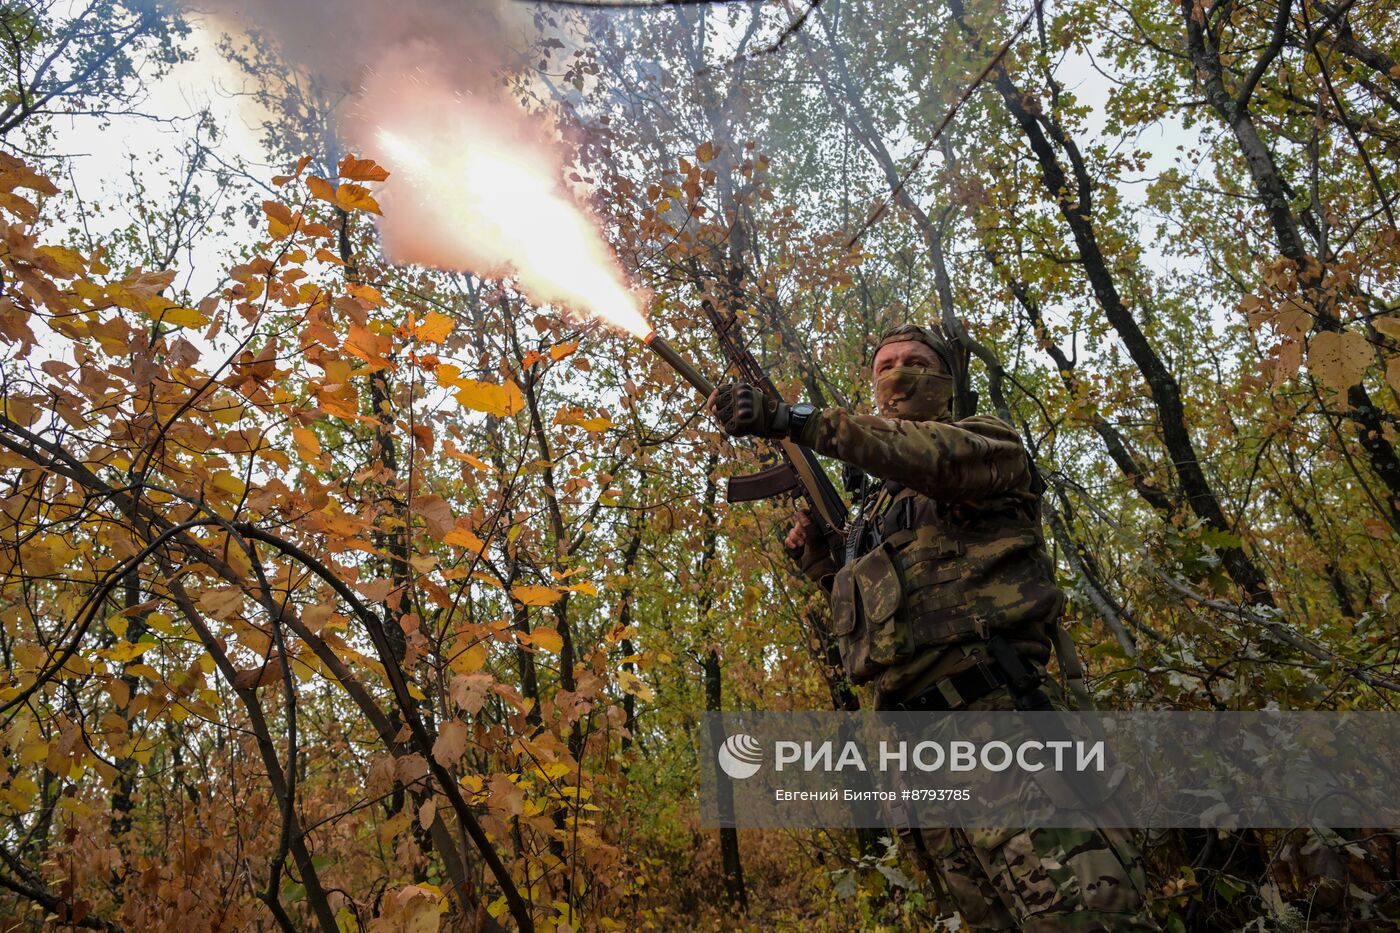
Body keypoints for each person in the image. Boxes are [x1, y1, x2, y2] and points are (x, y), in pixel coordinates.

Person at [708, 323, 1158, 932]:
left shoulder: (985, 447)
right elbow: (894, 614)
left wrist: (797, 420)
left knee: (1083, 918)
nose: (897, 372)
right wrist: (821, 561)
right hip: (916, 753)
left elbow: (927, 455)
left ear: (945, 380)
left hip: (999, 725)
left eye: (915, 361)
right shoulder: (876, 509)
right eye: (885, 363)